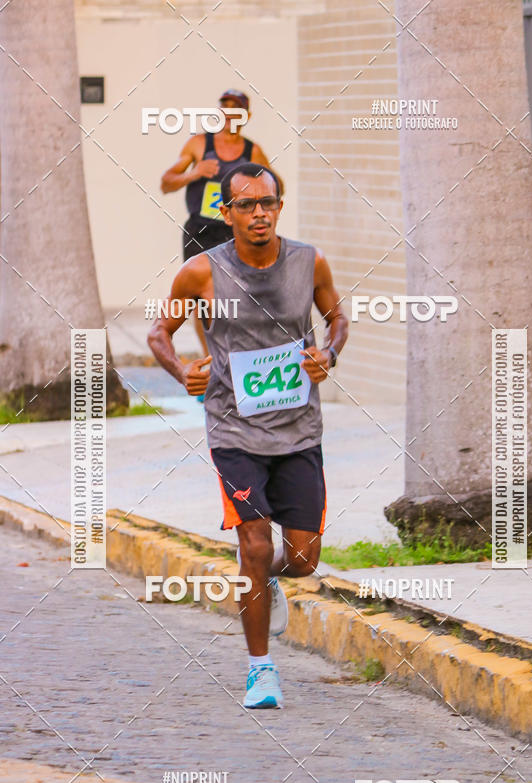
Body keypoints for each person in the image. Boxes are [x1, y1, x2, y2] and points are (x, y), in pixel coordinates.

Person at [148, 162, 348, 709]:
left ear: (280, 206)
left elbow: (337, 318)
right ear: (226, 212)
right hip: (234, 430)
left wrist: (327, 354)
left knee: (303, 558)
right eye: (247, 205)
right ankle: (261, 671)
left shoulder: (310, 261)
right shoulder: (201, 273)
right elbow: (159, 331)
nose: (260, 213)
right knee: (254, 544)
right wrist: (180, 369)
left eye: (269, 203)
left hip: (299, 429)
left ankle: (267, 579)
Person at [160, 89, 284, 361]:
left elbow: (277, 186)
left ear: (246, 116)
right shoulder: (199, 145)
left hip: (235, 232)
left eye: (236, 109)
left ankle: (237, 356)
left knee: (240, 296)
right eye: (225, 108)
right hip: (201, 230)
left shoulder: (253, 151)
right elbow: (166, 182)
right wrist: (195, 173)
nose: (229, 114)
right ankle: (212, 361)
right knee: (201, 299)